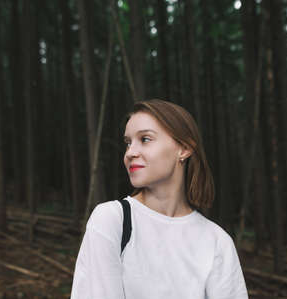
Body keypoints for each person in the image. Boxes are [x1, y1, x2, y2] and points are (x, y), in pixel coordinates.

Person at [71, 99, 248, 299]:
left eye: (145, 139)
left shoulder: (217, 241)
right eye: (128, 143)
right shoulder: (112, 220)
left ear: (184, 149)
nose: (130, 152)